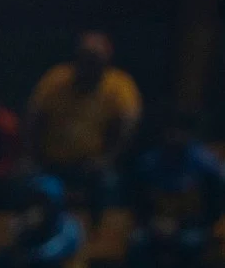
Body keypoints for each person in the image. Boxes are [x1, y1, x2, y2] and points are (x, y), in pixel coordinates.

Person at [24, 31, 141, 223]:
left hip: (92, 167)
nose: (89, 66)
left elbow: (127, 129)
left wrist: (105, 159)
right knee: (27, 182)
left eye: (95, 60)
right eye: (85, 59)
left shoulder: (120, 85)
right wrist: (33, 156)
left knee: (109, 184)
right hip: (52, 163)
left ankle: (104, 240)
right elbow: (33, 119)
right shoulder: (56, 79)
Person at [127, 110, 221, 268]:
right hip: (155, 226)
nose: (174, 136)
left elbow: (213, 211)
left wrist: (181, 224)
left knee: (189, 243)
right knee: (138, 242)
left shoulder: (205, 165)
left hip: (192, 227)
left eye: (179, 131)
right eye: (170, 131)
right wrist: (153, 223)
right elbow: (139, 206)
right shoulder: (148, 165)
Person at [0, 176, 83, 268]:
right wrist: (24, 230)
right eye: (36, 200)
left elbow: (58, 250)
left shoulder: (69, 223)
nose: (39, 206)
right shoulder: (27, 220)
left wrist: (32, 254)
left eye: (44, 201)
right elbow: (17, 247)